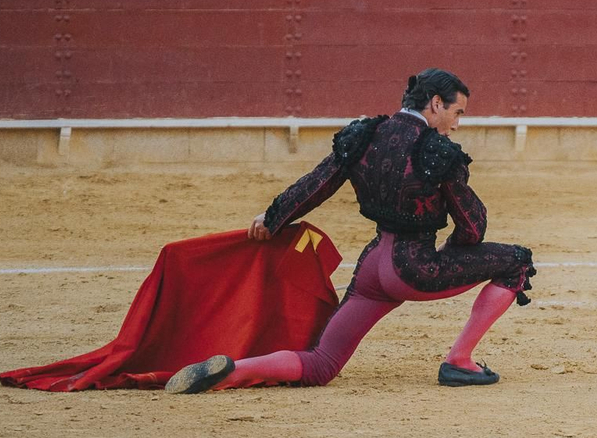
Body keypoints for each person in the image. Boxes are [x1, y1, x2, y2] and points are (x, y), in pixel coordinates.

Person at [164, 70, 537, 395]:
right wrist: (457, 252)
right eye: (457, 113)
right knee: (516, 261)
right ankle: (459, 360)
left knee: (321, 363)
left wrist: (273, 217)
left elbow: (317, 185)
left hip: (373, 268)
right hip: (415, 269)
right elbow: (473, 226)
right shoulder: (439, 152)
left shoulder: (364, 135)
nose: (456, 125)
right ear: (436, 104)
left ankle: (235, 369)